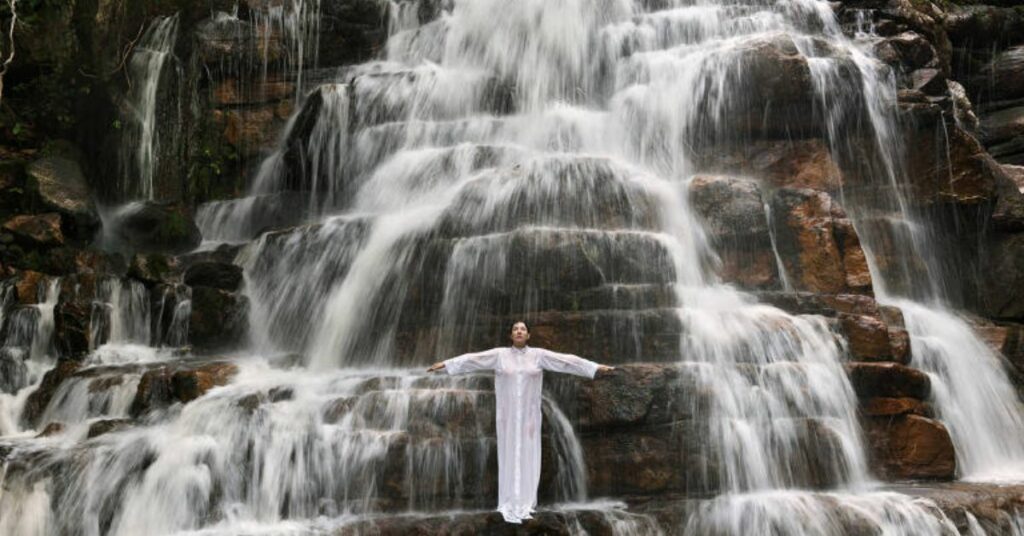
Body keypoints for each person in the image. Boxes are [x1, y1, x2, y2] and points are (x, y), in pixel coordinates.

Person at [427, 321, 614, 524]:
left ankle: (526, 502)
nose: (519, 331)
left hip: (529, 418)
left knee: (529, 454)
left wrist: (594, 367)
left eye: (523, 329)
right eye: (515, 329)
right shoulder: (499, 355)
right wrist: (447, 365)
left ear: (528, 335)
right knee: (508, 455)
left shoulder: (538, 356)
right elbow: (474, 359)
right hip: (507, 417)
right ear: (511, 335)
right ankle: (507, 502)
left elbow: (566, 361)